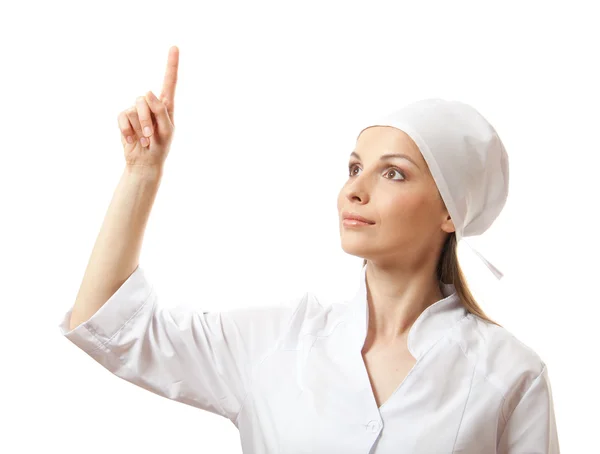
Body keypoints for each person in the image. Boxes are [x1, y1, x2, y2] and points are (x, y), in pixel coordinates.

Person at [58, 46, 560, 453]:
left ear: (452, 210)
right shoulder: (275, 343)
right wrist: (142, 174)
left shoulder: (510, 373)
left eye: (393, 173)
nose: (355, 191)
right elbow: (109, 325)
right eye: (353, 169)